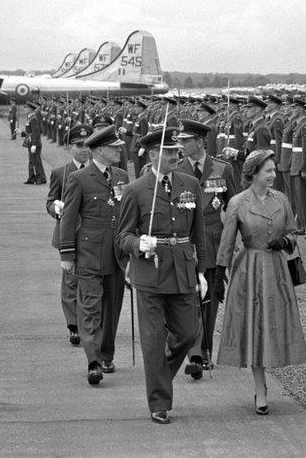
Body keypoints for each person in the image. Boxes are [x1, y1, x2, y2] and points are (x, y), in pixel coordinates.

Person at [115, 127, 207, 425]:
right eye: (168, 152)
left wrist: (202, 271)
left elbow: (199, 232)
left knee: (188, 333)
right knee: (153, 340)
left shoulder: (190, 183)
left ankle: (158, 376)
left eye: (176, 151)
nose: (174, 156)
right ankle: (159, 402)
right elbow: (123, 236)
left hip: (182, 269)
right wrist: (138, 244)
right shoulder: (135, 189)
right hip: (150, 272)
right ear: (153, 155)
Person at [216, 149, 306, 415]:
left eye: (274, 170)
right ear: (253, 174)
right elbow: (227, 241)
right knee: (254, 326)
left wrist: (286, 242)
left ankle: (266, 377)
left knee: (273, 324)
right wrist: (219, 273)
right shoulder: (237, 202)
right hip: (250, 270)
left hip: (277, 271)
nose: (273, 175)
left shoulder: (282, 198)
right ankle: (260, 386)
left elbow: (293, 232)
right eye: (267, 171)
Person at [59, 124, 130, 385]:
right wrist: (67, 255)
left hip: (117, 253)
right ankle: (93, 361)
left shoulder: (122, 176)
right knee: (90, 308)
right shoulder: (79, 178)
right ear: (100, 150)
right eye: (115, 148)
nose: (120, 151)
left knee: (112, 308)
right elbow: (68, 218)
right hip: (88, 253)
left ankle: (106, 353)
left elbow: (129, 213)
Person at [175, 120, 237, 377]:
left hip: (212, 244)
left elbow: (234, 207)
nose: (181, 145)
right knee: (188, 300)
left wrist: (235, 248)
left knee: (209, 302)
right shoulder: (176, 169)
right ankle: (196, 355)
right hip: (185, 244)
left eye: (186, 141)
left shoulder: (223, 169)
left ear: (200, 142)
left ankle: (206, 351)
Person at [47, 124, 93, 347]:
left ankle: (89, 322)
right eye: (79, 145)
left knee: (91, 279)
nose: (84, 149)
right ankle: (73, 325)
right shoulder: (60, 173)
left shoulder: (99, 171)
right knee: (71, 279)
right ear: (69, 147)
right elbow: (50, 200)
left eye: (87, 145)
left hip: (93, 234)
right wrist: (55, 208)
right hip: (68, 233)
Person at [21, 102, 47, 185]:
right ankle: (32, 177)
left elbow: (36, 133)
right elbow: (29, 132)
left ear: (30, 109)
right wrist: (21, 132)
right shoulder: (29, 118)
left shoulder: (33, 119)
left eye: (26, 108)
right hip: (30, 142)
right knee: (31, 161)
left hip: (34, 143)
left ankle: (41, 178)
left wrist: (34, 145)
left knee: (36, 161)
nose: (25, 109)